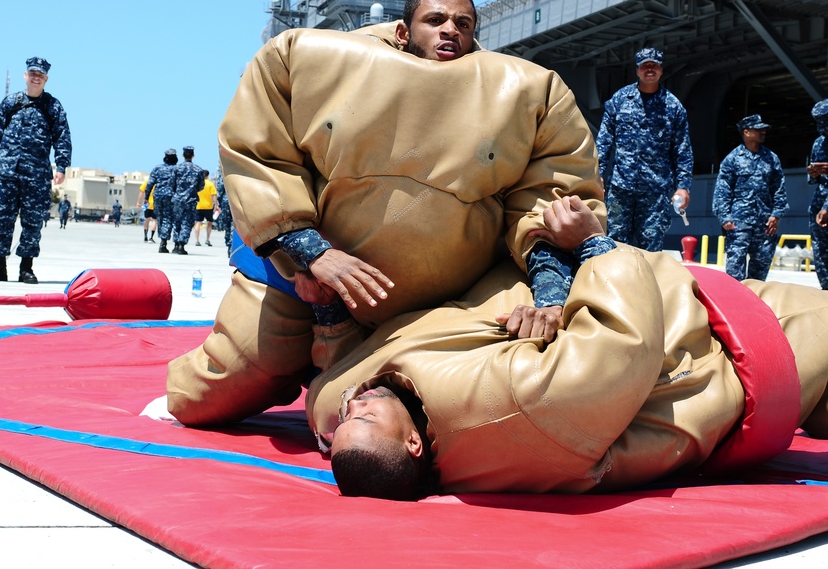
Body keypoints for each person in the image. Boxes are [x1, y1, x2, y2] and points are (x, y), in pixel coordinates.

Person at [164, 0, 604, 427]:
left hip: (451, 299)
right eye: (435, 20)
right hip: (305, 274)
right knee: (207, 395)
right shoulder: (311, 61)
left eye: (463, 24)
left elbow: (550, 196)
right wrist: (312, 253)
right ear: (402, 31)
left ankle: (341, 368)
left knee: (508, 395)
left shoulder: (526, 93)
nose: (449, 29)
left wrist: (551, 296)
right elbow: (260, 148)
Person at [308, 196, 828, 500]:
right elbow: (624, 344)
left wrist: (329, 314)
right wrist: (591, 242)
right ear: (414, 446)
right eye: (367, 418)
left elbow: (328, 393)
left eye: (347, 418)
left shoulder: (347, 405)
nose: (357, 403)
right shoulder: (519, 411)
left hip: (684, 299)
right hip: (723, 348)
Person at [0, 57, 71, 284]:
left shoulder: (53, 106)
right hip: (7, 172)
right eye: (32, 74)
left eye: (40, 75)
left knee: (33, 221)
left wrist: (61, 166)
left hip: (37, 175)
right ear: (25, 76)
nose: (36, 77)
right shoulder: (11, 102)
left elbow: (62, 136)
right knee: (1, 219)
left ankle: (26, 268)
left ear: (46, 79)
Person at [596, 48, 693, 251]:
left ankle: (645, 283)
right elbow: (604, 141)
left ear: (661, 70)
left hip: (655, 191)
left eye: (654, 65)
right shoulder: (619, 100)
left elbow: (682, 149)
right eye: (645, 66)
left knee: (650, 247)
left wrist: (683, 186)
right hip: (621, 188)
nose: (650, 69)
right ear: (637, 70)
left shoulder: (673, 106)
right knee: (615, 243)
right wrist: (597, 173)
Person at [712, 114, 789, 282]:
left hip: (764, 223)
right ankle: (734, 303)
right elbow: (722, 191)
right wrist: (724, 217)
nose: (763, 132)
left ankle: (754, 303)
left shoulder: (771, 158)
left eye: (764, 129)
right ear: (746, 132)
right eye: (758, 129)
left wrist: (776, 214)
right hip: (738, 223)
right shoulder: (732, 159)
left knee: (760, 268)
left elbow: (779, 188)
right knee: (735, 269)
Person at [806, 99, 828, 290]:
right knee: (821, 253)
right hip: (819, 203)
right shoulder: (819, 142)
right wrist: (813, 173)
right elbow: (814, 178)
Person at [171, 146, 204, 254]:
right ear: (193, 155)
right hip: (191, 200)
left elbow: (172, 184)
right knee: (187, 222)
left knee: (177, 222)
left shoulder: (176, 168)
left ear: (183, 155)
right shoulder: (198, 170)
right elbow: (201, 186)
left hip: (177, 199)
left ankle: (176, 244)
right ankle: (181, 245)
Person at [147, 148, 179, 253]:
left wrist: (146, 197)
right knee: (171, 219)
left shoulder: (157, 168)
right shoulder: (177, 169)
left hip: (159, 196)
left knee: (161, 219)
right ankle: (174, 243)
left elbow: (150, 184)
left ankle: (163, 241)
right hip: (172, 196)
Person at [193, 169, 218, 247]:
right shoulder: (210, 184)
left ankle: (197, 240)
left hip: (198, 205)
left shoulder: (198, 184)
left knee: (197, 222)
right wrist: (216, 205)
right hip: (208, 206)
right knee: (209, 223)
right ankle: (207, 239)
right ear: (207, 175)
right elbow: (213, 196)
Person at [212, 167, 233, 258]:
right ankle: (233, 245)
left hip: (226, 201)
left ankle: (229, 245)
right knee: (236, 224)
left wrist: (218, 202)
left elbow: (220, 187)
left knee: (228, 224)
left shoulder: (224, 169)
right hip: (238, 201)